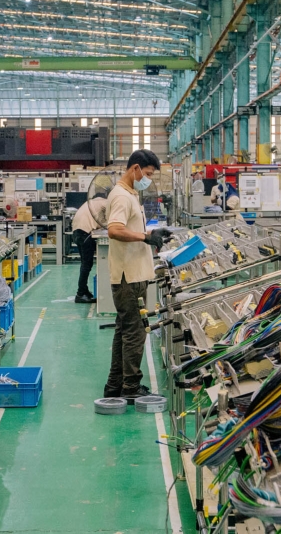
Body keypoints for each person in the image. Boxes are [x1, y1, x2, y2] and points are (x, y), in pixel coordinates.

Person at [104, 149, 172, 401]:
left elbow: (130, 228)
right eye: (148, 174)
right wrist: (145, 237)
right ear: (135, 169)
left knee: (125, 330)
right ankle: (131, 388)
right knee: (135, 333)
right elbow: (114, 230)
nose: (148, 179)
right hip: (128, 278)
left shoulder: (130, 194)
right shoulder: (121, 196)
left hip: (133, 274)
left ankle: (115, 385)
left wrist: (153, 232)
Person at [71, 196, 106, 304]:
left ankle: (84, 291)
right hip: (84, 233)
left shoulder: (93, 202)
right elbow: (110, 220)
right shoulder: (106, 203)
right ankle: (80, 294)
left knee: (85, 264)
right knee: (86, 265)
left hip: (77, 232)